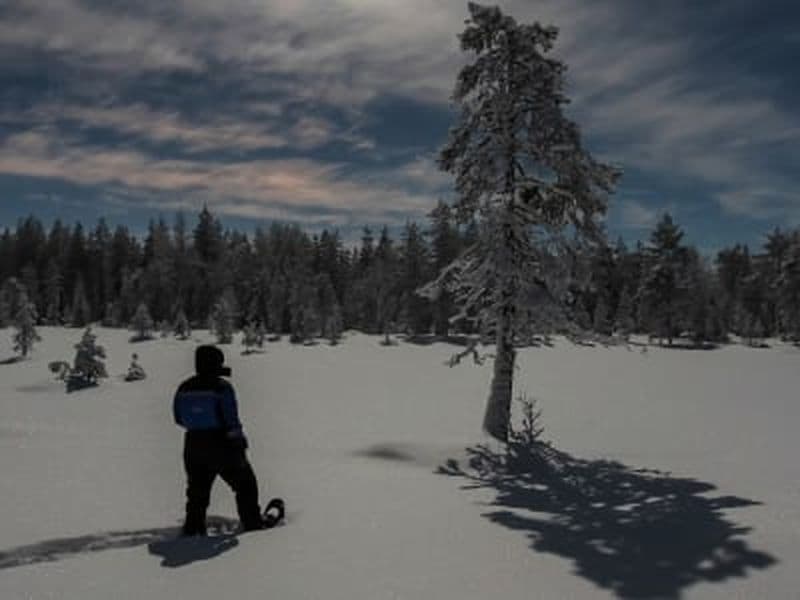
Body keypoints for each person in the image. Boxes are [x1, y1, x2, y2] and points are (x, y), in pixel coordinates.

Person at [173, 345, 265, 535]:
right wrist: (239, 444)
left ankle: (193, 529)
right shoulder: (222, 387)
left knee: (197, 493)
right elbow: (231, 419)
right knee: (245, 485)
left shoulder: (184, 386)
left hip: (193, 444)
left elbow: (178, 418)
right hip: (222, 444)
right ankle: (253, 524)